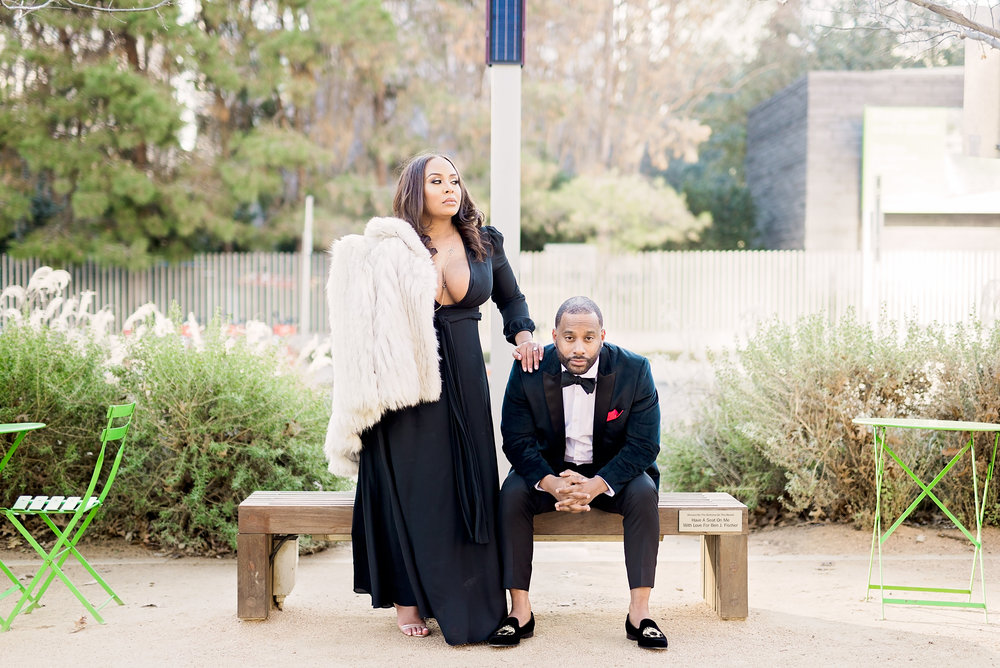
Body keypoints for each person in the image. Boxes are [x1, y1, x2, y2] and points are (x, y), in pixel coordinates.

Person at [323, 153, 543, 645]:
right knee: (413, 488)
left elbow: (512, 299)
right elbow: (362, 321)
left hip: (464, 375)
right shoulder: (388, 248)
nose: (450, 188)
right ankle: (408, 599)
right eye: (436, 180)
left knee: (468, 479)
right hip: (406, 382)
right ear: (414, 190)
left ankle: (469, 596)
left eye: (455, 180)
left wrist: (524, 334)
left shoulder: (485, 242)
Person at [489, 296, 667, 650]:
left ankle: (640, 614)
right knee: (511, 495)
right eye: (569, 337)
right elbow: (516, 439)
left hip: (611, 472)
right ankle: (519, 612)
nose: (579, 347)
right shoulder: (530, 369)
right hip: (549, 470)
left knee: (645, 493)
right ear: (554, 336)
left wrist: (597, 485)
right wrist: (552, 483)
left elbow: (644, 445)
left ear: (603, 335)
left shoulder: (635, 369)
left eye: (589, 337)